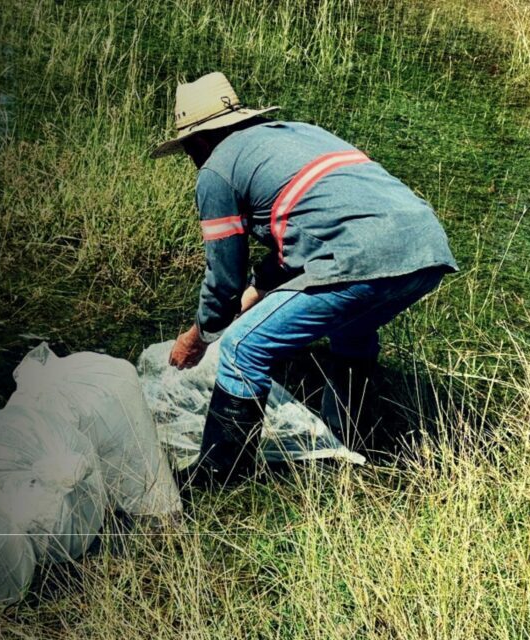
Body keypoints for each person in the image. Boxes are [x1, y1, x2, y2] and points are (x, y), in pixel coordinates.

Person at [151, 72, 458, 487]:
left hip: (359, 256)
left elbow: (223, 279)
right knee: (352, 328)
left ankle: (219, 482)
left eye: (188, 149)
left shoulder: (217, 170)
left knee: (243, 348)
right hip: (428, 249)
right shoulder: (298, 135)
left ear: (198, 140)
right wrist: (252, 298)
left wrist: (199, 337)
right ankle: (350, 439)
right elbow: (295, 251)